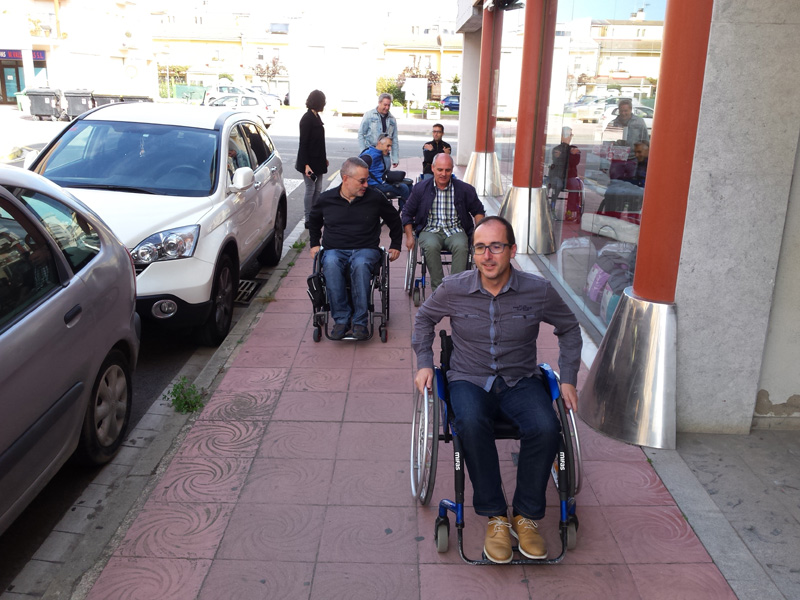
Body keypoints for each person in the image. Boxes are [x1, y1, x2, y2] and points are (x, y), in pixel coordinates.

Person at [412, 216, 582, 564]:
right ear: (472, 252)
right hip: (468, 379)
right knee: (471, 425)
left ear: (512, 250)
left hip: (520, 380)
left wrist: (567, 378)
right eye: (479, 247)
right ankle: (496, 517)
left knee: (546, 427)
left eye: (496, 246)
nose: (487, 255)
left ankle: (525, 515)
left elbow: (569, 328)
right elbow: (423, 319)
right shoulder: (454, 288)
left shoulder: (538, 290)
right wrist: (424, 361)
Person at [308, 157, 402, 340]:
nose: (366, 184)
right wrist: (314, 243)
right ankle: (341, 319)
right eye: (362, 181)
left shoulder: (375, 198)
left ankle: (360, 321)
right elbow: (314, 221)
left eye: (367, 179)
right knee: (331, 264)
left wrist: (396, 245)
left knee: (360, 264)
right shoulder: (327, 199)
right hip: (334, 248)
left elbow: (394, 220)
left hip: (365, 248)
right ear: (345, 179)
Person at [401, 153, 485, 291]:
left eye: (447, 170)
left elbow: (478, 211)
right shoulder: (420, 188)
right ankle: (439, 290)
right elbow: (407, 213)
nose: (443, 174)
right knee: (431, 246)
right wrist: (409, 236)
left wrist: (479, 235)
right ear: (433, 168)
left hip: (455, 229)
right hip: (430, 230)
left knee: (462, 246)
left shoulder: (464, 189)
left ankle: (454, 289)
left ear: (452, 170)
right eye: (440, 170)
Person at [296, 90, 328, 227]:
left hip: (318, 160)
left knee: (318, 189)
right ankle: (308, 218)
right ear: (318, 102)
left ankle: (315, 214)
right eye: (323, 101)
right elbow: (303, 143)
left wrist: (324, 158)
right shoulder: (307, 119)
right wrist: (306, 165)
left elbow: (320, 141)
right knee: (310, 189)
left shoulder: (316, 117)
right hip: (309, 161)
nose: (325, 104)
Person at [360, 134, 410, 211]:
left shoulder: (382, 154)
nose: (390, 149)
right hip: (375, 185)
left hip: (383, 181)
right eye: (388, 146)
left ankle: (409, 210)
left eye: (390, 146)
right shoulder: (368, 156)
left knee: (409, 184)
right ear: (380, 143)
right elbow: (359, 172)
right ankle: (405, 214)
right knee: (404, 188)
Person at [358, 93, 399, 167]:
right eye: (385, 105)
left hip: (385, 155)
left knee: (384, 175)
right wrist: (363, 153)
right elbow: (361, 134)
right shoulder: (369, 115)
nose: (387, 107)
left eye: (389, 105)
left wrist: (395, 158)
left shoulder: (392, 119)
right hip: (371, 154)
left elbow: (395, 139)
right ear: (379, 103)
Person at [546, 126, 581, 212]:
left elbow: (574, 163)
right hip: (558, 175)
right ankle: (551, 205)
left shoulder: (574, 149)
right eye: (566, 135)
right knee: (556, 184)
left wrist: (573, 154)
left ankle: (570, 210)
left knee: (574, 185)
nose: (568, 137)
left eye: (570, 135)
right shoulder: (557, 148)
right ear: (561, 136)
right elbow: (556, 161)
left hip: (569, 176)